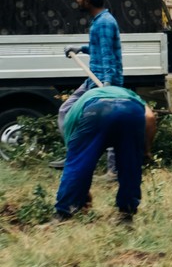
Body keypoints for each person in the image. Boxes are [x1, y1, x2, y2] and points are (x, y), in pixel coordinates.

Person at [54, 82, 154, 223]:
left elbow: (76, 165)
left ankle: (63, 215)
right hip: (131, 110)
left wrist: (80, 193)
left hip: (96, 110)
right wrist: (146, 151)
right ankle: (126, 215)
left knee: (77, 164)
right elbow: (150, 117)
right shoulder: (131, 95)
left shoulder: (72, 119)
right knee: (130, 165)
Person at [70, 0, 123, 88]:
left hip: (101, 81)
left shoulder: (104, 22)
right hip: (95, 78)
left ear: (88, 1)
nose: (77, 0)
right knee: (69, 105)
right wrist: (80, 49)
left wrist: (107, 82)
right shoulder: (99, 20)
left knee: (70, 105)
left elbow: (107, 54)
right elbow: (99, 50)